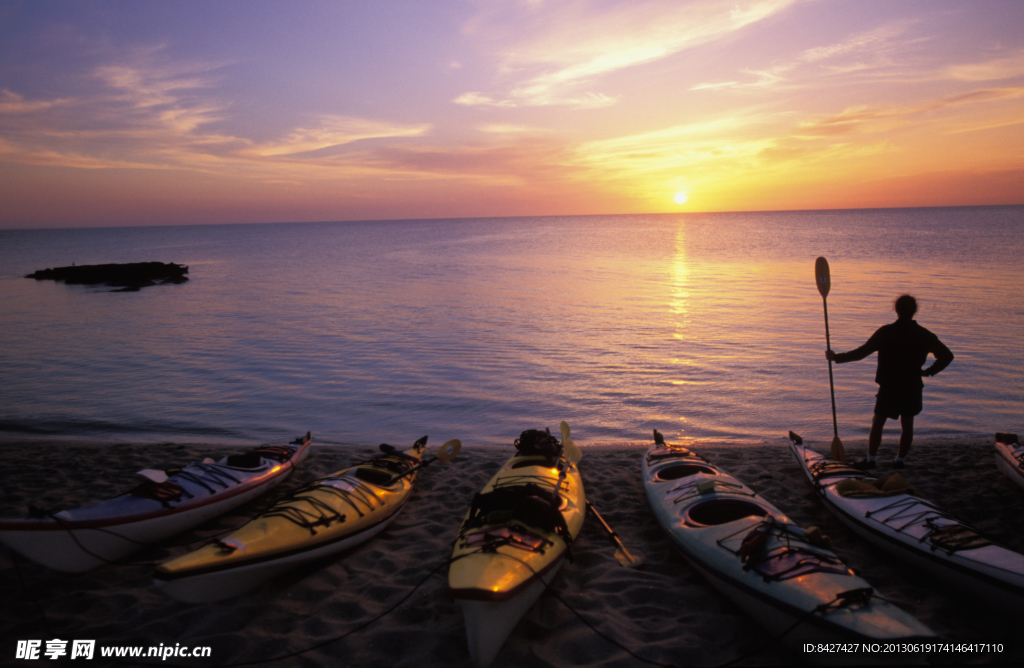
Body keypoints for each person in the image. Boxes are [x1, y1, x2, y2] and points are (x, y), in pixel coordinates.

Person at [826, 295, 953, 469]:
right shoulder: (924, 334)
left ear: (896, 310)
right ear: (915, 311)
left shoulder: (886, 332)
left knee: (878, 422)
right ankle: (899, 461)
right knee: (907, 425)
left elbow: (863, 352)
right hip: (912, 386)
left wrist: (836, 358)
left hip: (890, 386)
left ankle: (871, 460)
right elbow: (947, 356)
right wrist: (929, 372)